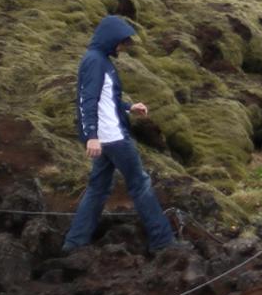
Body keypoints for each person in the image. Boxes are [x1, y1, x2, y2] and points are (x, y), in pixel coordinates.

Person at [66, 15, 178, 255]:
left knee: (98, 188)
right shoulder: (96, 62)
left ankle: (74, 244)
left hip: (106, 138)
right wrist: (92, 136)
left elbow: (108, 99)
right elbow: (88, 101)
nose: (122, 47)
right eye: (121, 42)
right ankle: (163, 242)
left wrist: (129, 107)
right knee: (140, 184)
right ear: (109, 39)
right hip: (114, 138)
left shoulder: (99, 60)